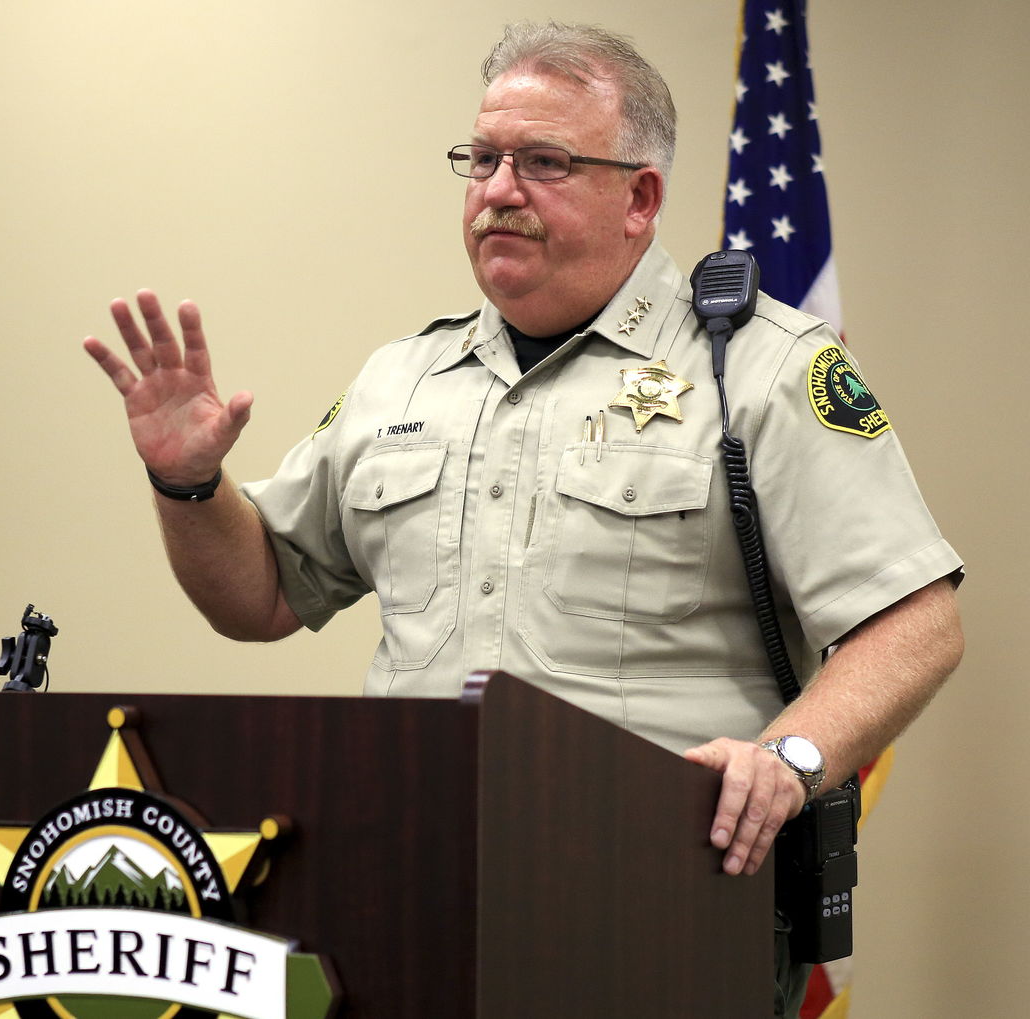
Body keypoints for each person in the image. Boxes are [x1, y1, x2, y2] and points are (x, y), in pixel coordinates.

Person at [84, 22, 962, 1015]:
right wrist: (191, 486)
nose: (498, 189)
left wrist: (786, 761)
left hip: (658, 902)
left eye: (543, 162)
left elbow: (914, 621)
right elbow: (259, 595)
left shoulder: (759, 365)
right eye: (482, 159)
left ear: (639, 197)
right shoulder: (400, 377)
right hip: (398, 890)